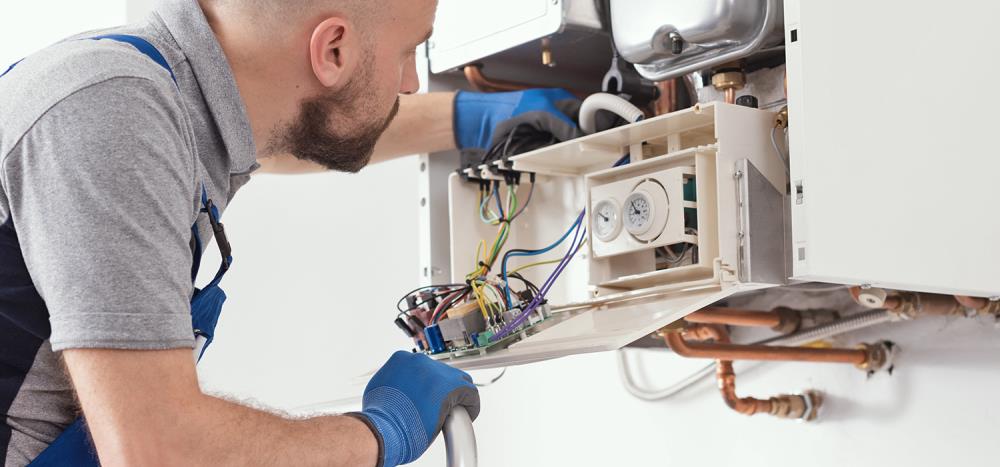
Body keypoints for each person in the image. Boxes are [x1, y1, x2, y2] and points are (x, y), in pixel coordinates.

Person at [0, 0, 580, 465]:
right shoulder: (112, 113)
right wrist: (382, 434)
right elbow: (159, 449)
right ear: (331, 49)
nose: (409, 84)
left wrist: (473, 118)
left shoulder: (161, 93)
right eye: (409, 52)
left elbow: (303, 133)